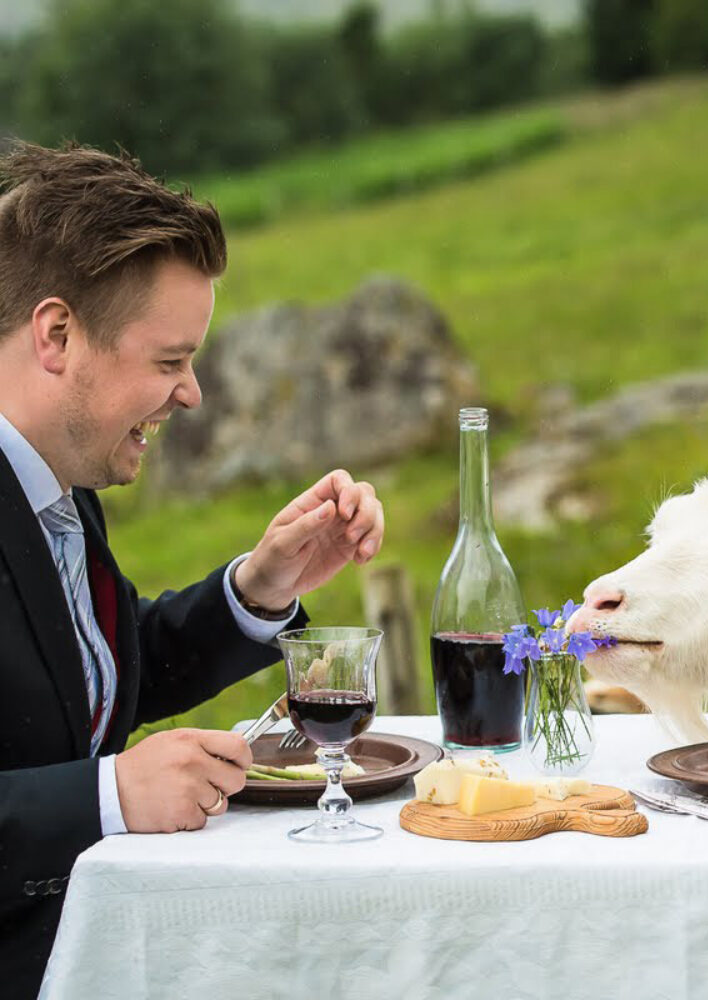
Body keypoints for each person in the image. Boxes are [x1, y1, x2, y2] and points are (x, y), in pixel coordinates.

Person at [0, 142, 386, 997]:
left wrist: (259, 589)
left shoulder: (60, 488)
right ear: (57, 334)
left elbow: (87, 679)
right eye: (170, 361)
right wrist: (107, 797)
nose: (192, 394)